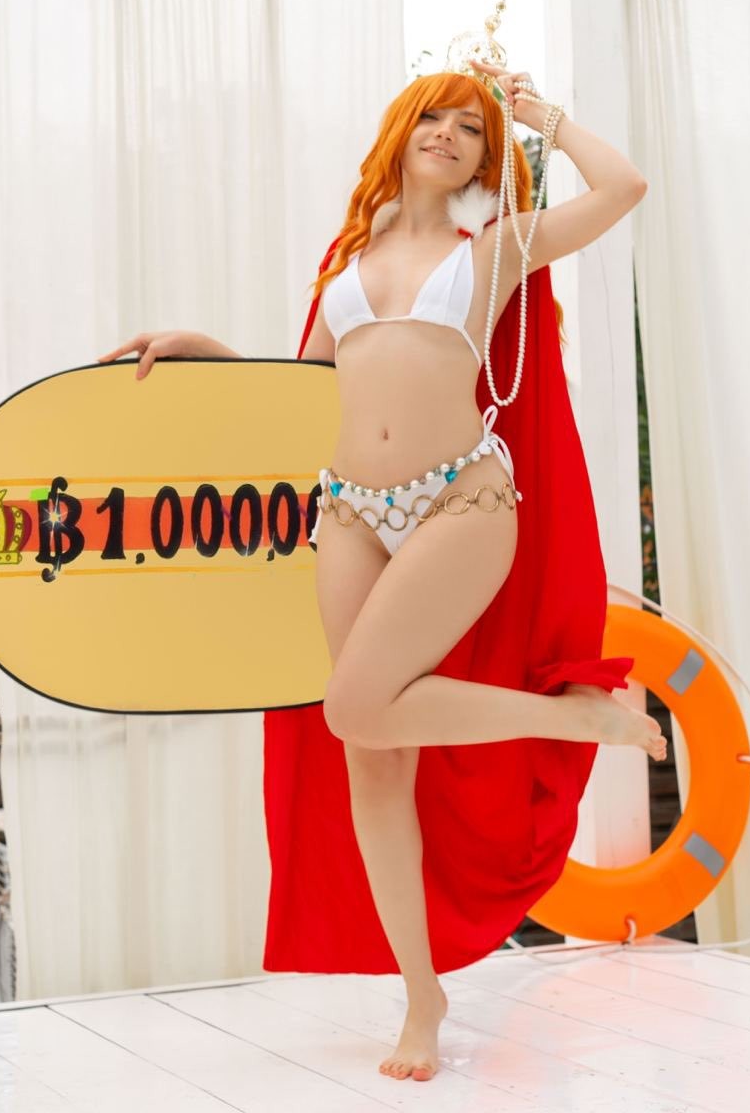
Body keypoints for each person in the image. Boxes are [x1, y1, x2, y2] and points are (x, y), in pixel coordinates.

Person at [99, 57, 666, 1084]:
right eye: (431, 117)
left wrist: (542, 117)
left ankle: (573, 719)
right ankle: (421, 995)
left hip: (461, 500)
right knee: (369, 749)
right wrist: (203, 348)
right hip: (352, 510)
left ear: (485, 159)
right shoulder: (348, 257)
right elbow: (309, 388)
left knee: (353, 706)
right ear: (401, 133)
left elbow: (623, 187)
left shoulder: (496, 245)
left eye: (470, 127)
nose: (448, 133)